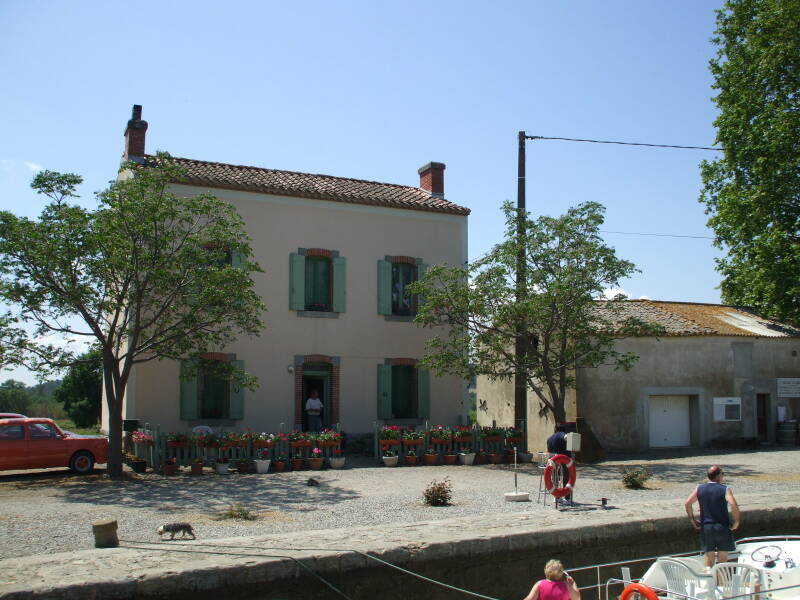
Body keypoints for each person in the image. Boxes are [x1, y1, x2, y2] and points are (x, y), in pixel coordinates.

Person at [684, 465, 741, 567]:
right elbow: (733, 504)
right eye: (722, 474)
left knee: (709, 558)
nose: (723, 476)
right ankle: (721, 582)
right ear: (718, 475)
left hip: (706, 528)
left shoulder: (699, 488)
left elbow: (687, 503)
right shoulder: (725, 489)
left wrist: (693, 521)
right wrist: (736, 521)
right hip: (722, 527)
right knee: (722, 559)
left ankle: (709, 581)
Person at [546, 424, 572, 500]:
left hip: (553, 462)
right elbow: (566, 437)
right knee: (567, 476)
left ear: (555, 428)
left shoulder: (549, 438)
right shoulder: (561, 434)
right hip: (563, 460)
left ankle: (556, 496)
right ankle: (567, 497)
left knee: (555, 477)